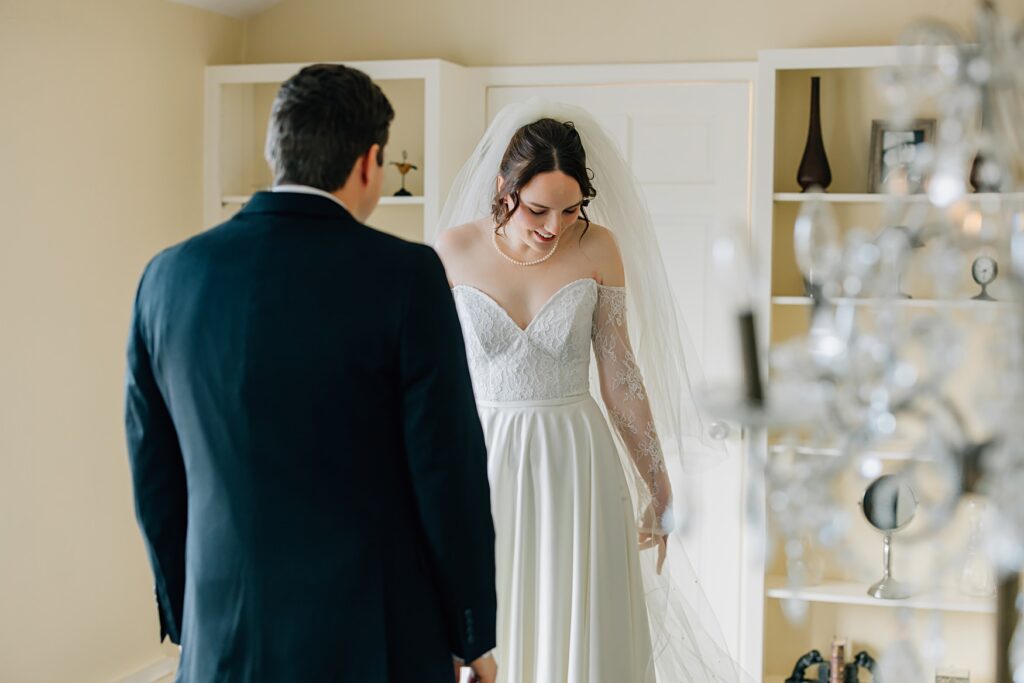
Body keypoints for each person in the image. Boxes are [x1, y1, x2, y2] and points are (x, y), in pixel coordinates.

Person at [124, 64, 497, 683]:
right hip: (374, 641)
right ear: (369, 162)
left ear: (278, 151)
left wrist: (194, 619)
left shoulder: (166, 277)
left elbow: (153, 474)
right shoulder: (406, 277)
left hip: (224, 634)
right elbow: (446, 468)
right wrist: (470, 631)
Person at [434, 101, 742, 683]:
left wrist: (659, 481)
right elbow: (431, 379)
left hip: (577, 463)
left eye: (571, 208)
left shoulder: (597, 247)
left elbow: (621, 378)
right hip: (483, 459)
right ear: (504, 189)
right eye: (538, 209)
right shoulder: (452, 250)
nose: (555, 226)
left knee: (578, 626)